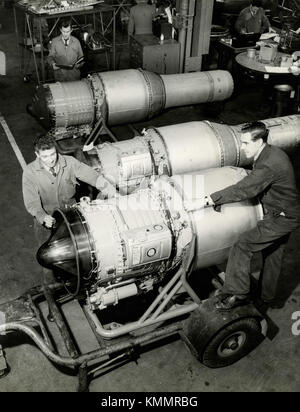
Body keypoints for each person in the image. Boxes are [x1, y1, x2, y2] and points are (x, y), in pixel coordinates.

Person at [197, 122, 300, 311]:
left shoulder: (270, 163)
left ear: (259, 141)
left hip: (283, 217)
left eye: (245, 143)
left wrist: (209, 199)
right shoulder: (270, 152)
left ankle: (237, 293)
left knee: (242, 245)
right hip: (284, 211)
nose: (242, 148)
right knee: (273, 255)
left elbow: (245, 189)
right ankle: (267, 299)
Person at [22, 134, 114, 284]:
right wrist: (42, 216)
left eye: (53, 154)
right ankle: (51, 288)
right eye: (45, 156)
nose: (50, 159)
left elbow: (92, 176)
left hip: (70, 217)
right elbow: (31, 202)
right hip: (47, 220)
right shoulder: (30, 173)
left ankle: (74, 282)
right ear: (37, 155)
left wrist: (107, 187)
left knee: (79, 255)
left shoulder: (69, 163)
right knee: (48, 258)